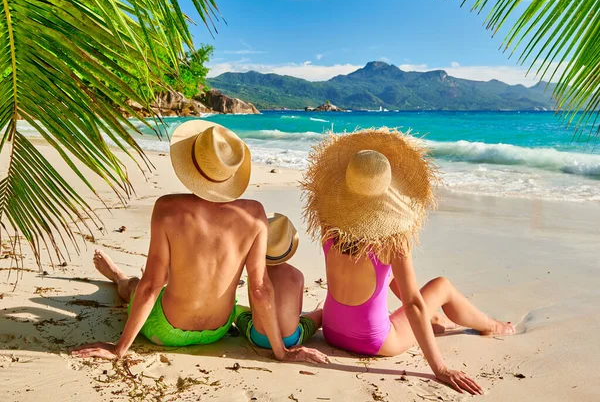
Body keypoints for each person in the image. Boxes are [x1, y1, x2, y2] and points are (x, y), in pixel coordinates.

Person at [71, 121, 327, 364]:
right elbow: (261, 289)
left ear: (191, 165)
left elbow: (152, 286)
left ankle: (119, 278)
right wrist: (281, 352)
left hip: (167, 332)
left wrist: (118, 349)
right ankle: (121, 277)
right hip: (218, 329)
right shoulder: (255, 213)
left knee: (138, 286)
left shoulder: (167, 208)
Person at [301, 128, 515, 395]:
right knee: (442, 286)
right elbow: (413, 304)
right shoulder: (392, 239)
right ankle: (491, 326)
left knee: (403, 292)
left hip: (332, 329)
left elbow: (384, 280)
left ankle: (435, 318)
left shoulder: (329, 225)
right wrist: (441, 369)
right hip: (374, 341)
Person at [236, 213, 322, 349]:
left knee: (237, 310)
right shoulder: (297, 275)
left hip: (258, 338)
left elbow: (254, 308)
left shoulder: (256, 274)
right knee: (319, 314)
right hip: (291, 340)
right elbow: (298, 311)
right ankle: (320, 308)